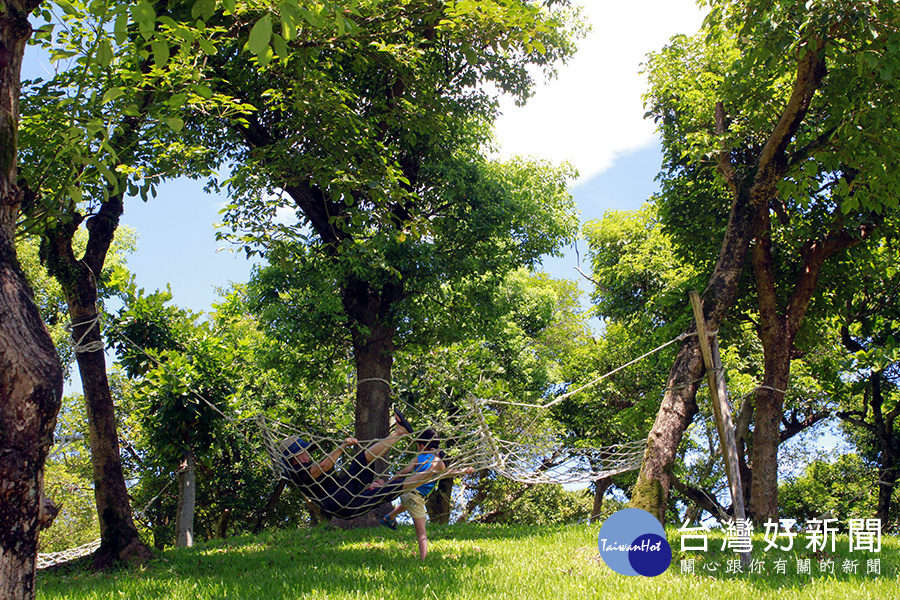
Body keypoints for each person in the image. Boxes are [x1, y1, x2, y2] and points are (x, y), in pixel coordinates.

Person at [280, 408, 435, 520]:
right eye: (304, 451)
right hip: (337, 499)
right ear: (295, 456)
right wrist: (342, 446)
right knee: (363, 461)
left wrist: (364, 487)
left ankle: (431, 469)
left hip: (344, 502)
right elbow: (324, 466)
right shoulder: (297, 472)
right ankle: (401, 435)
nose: (308, 454)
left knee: (384, 489)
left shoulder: (299, 472)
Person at [380, 430, 473, 560]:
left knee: (408, 503)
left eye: (417, 446)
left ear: (422, 445)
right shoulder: (437, 461)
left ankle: (389, 517)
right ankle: (424, 560)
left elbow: (403, 472)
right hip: (415, 497)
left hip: (406, 492)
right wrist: (463, 470)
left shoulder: (419, 458)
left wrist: (388, 483)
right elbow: (448, 472)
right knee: (422, 532)